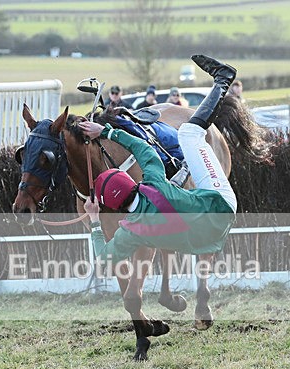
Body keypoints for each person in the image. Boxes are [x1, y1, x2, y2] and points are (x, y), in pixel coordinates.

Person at [81, 54, 238, 265]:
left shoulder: (132, 232)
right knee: (189, 133)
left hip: (209, 240)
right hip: (222, 205)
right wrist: (106, 132)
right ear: (129, 180)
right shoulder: (153, 183)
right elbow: (142, 147)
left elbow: (103, 259)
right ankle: (223, 79)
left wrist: (94, 220)